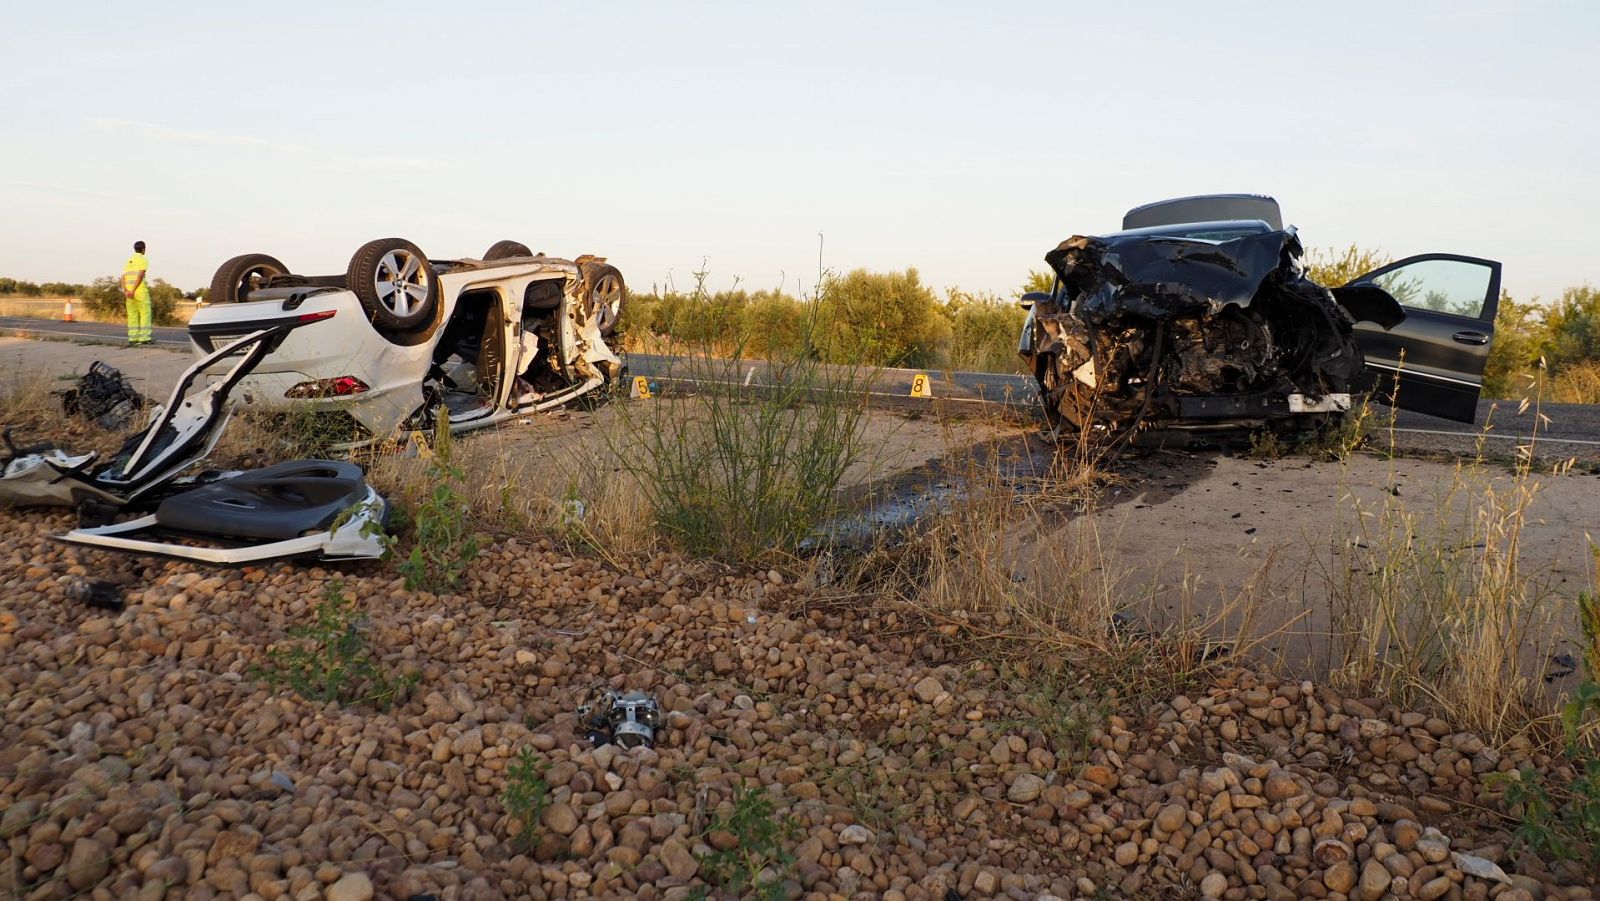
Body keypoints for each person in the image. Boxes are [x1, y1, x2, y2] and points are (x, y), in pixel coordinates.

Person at [121, 241, 152, 345]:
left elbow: (123, 277)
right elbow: (140, 276)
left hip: (128, 293)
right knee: (145, 314)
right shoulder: (143, 260)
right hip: (140, 291)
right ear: (143, 249)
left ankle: (133, 338)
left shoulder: (128, 261)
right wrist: (133, 290)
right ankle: (144, 338)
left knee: (132, 315)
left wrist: (125, 290)